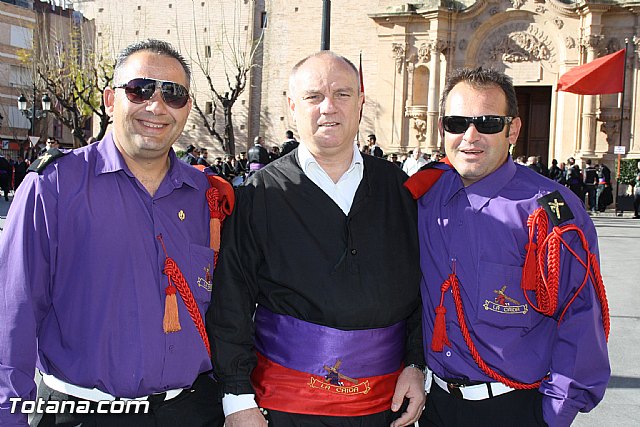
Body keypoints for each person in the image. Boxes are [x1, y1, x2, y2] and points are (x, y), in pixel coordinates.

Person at [0, 39, 225, 427]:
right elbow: (10, 320)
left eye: (173, 94)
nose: (156, 106)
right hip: (85, 413)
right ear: (109, 99)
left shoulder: (209, 196)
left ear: (187, 109)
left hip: (192, 410)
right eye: (140, 89)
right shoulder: (52, 187)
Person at [207, 50, 425, 427]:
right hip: (285, 404)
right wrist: (238, 397)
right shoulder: (259, 193)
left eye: (342, 93)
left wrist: (417, 364)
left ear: (360, 101)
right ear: (292, 107)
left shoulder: (402, 190)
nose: (329, 107)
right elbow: (231, 299)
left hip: (384, 405)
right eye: (314, 97)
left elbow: (426, 285)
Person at [404, 67, 610, 427]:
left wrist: (551, 415)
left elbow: (581, 318)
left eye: (487, 122)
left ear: (512, 129)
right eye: (456, 122)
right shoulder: (424, 196)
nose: (470, 136)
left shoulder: (548, 212)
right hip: (437, 407)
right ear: (442, 129)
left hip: (515, 407)